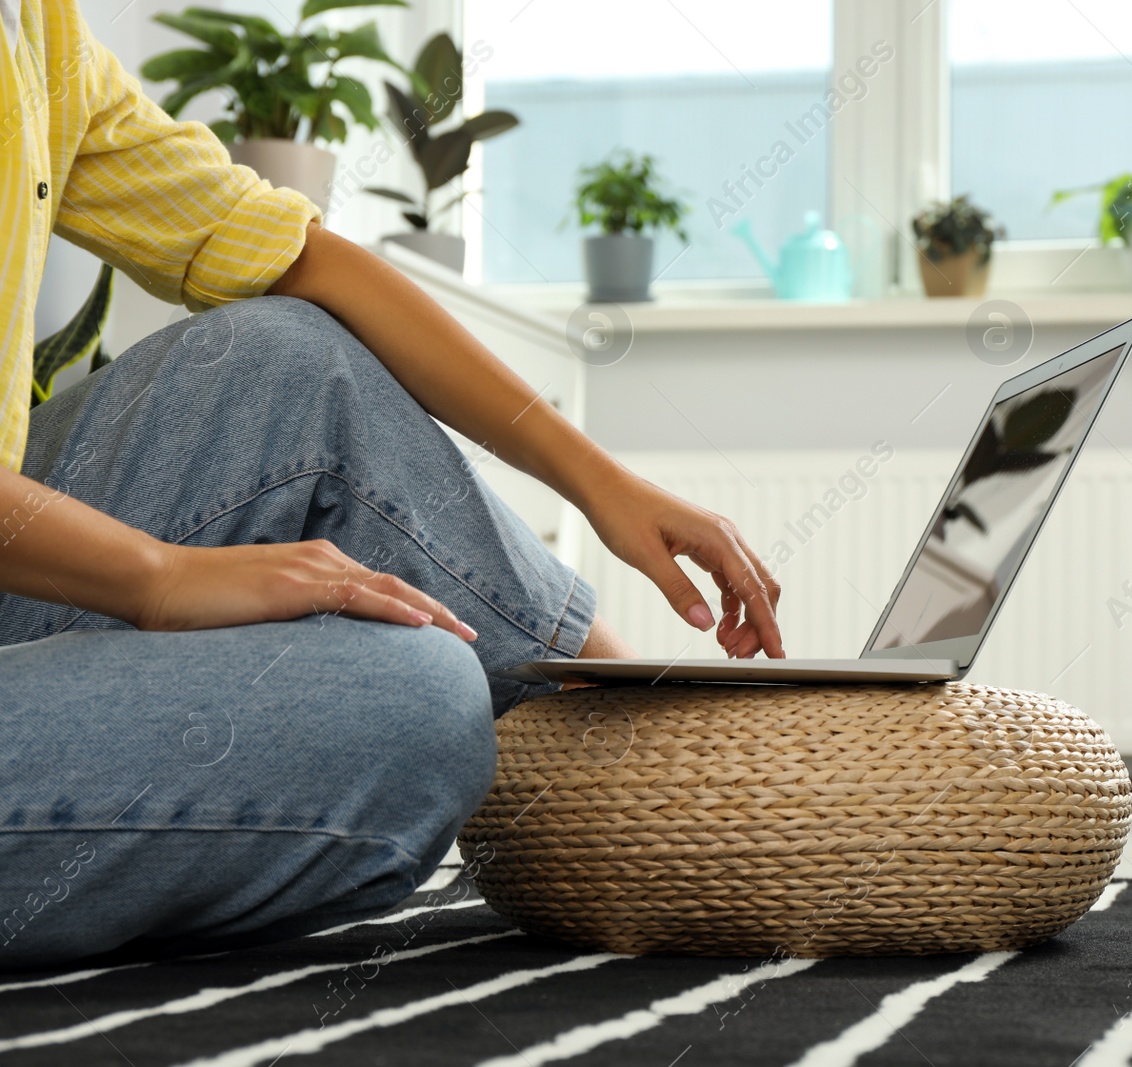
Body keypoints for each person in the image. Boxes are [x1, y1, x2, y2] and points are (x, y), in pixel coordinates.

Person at [0, 1, 783, 970]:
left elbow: (306, 259)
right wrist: (157, 574)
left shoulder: (35, 28)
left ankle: (629, 737)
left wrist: (601, 483)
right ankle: (648, 788)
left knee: (282, 355)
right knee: (414, 699)